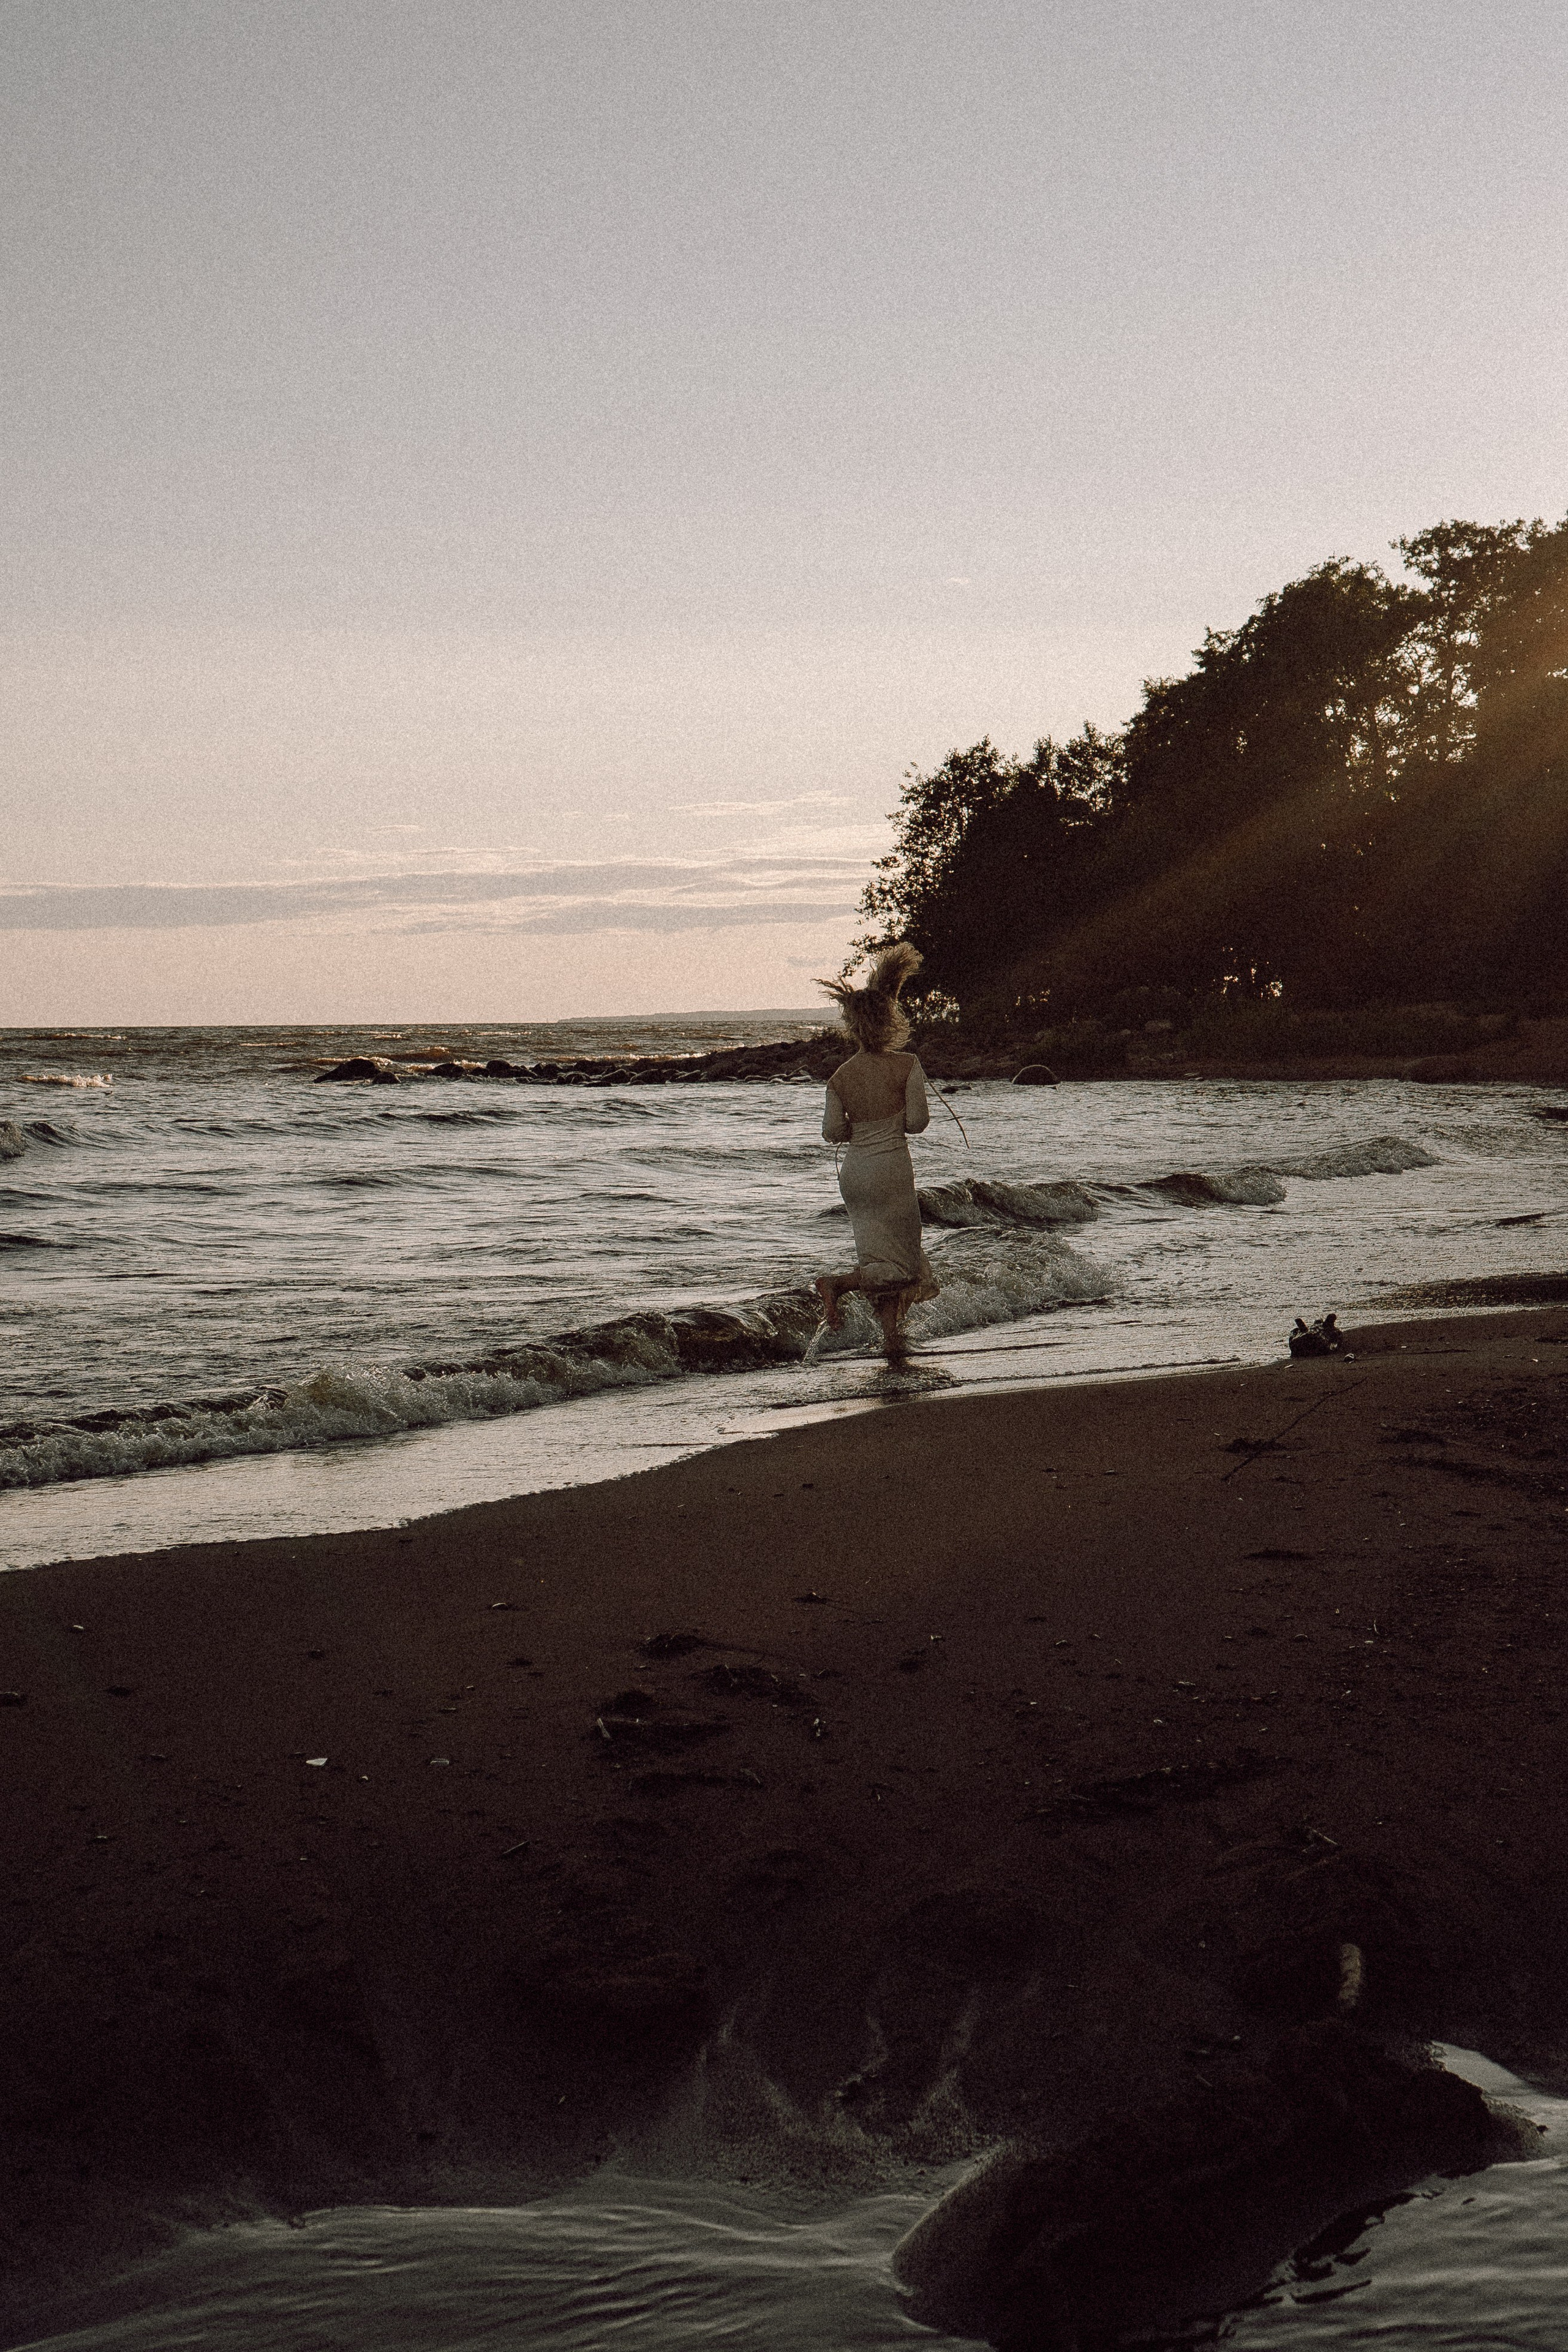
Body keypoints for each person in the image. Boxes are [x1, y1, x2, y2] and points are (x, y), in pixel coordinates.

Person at [813, 941, 940, 1360]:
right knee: (902, 1262)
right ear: (889, 1021)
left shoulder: (839, 1076)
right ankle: (837, 1285)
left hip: (855, 1177)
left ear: (853, 1026)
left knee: (879, 1255)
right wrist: (891, 1119)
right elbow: (917, 1124)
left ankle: (891, 1338)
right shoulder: (907, 1064)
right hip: (890, 1172)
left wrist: (860, 1127)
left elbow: (832, 1132)